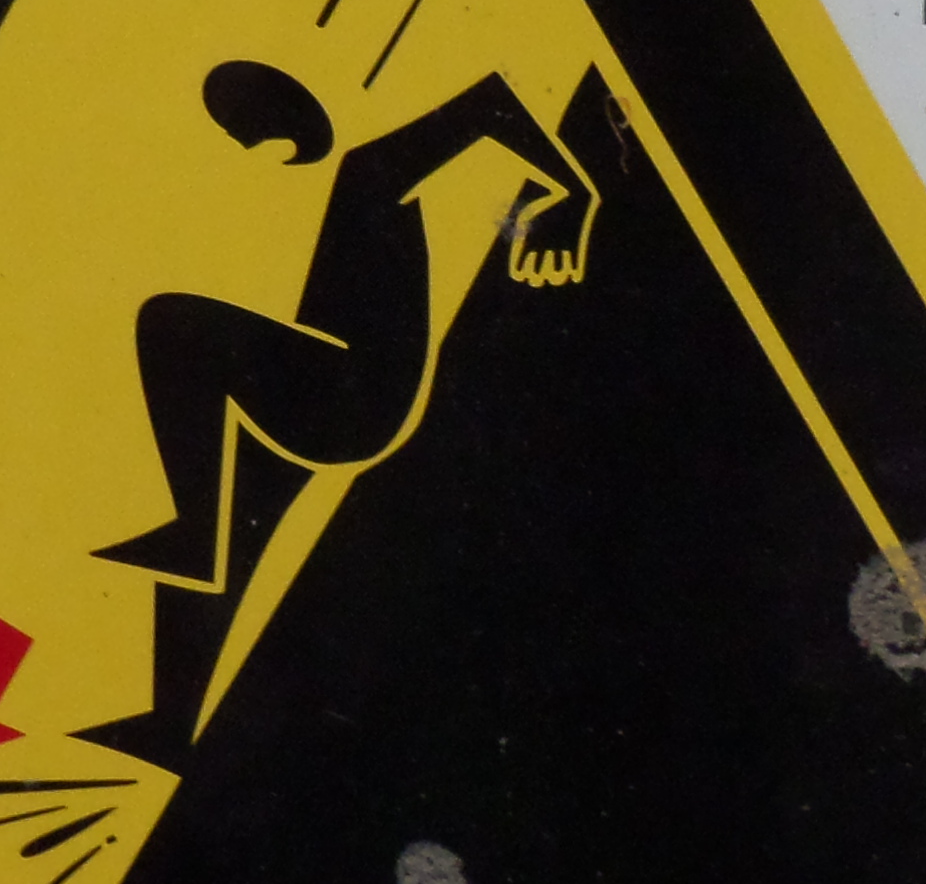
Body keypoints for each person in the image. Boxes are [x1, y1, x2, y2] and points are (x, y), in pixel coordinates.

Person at [83, 58, 593, 762]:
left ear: (282, 116)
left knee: (171, 325)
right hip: (312, 382)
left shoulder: (368, 168)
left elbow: (490, 102)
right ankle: (166, 725)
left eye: (240, 124)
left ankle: (193, 534)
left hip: (354, 387)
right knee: (221, 540)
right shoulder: (284, 202)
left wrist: (573, 195)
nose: (236, 143)